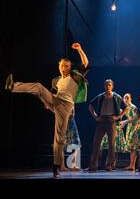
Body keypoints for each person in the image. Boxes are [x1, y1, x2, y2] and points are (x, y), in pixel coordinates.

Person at [4, 43, 89, 178]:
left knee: (59, 137)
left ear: (70, 67)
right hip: (55, 103)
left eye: (66, 66)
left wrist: (79, 49)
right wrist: (48, 101)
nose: (63, 68)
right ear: (58, 67)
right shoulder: (56, 81)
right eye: (61, 66)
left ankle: (56, 167)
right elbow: (54, 94)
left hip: (65, 107)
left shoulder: (74, 76)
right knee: (38, 87)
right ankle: (12, 86)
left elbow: (85, 63)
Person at [87, 79, 129, 172]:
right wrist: (95, 117)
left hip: (111, 120)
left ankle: (109, 165)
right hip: (101, 120)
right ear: (104, 86)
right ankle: (93, 166)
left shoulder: (116, 96)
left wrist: (118, 116)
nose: (108, 86)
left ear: (112, 86)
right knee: (96, 143)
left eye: (109, 85)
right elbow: (90, 105)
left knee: (111, 144)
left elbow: (126, 107)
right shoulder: (100, 96)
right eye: (106, 85)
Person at [121, 93, 140, 170]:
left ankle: (132, 165)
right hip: (131, 127)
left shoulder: (132, 107)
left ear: (130, 99)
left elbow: (135, 118)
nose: (126, 99)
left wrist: (125, 122)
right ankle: (131, 165)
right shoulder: (126, 108)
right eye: (125, 98)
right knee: (132, 147)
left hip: (135, 128)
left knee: (134, 147)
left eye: (127, 98)